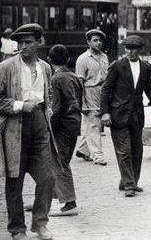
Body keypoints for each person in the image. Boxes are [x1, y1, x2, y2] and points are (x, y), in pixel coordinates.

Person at [0, 23, 55, 240]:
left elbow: (47, 92)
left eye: (28, 42)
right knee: (15, 178)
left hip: (40, 124)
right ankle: (17, 229)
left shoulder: (45, 68)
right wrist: (20, 105)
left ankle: (40, 223)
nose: (23, 47)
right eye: (20, 42)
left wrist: (47, 109)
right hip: (15, 126)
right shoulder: (6, 67)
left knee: (48, 177)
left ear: (39, 43)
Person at [101, 35, 151, 197]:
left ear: (140, 50)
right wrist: (104, 112)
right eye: (127, 48)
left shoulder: (145, 67)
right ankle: (129, 185)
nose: (130, 52)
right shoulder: (117, 66)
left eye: (133, 48)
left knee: (137, 151)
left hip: (136, 115)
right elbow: (105, 90)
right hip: (117, 114)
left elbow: (149, 87)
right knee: (123, 151)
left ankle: (130, 180)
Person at [48, 44, 83, 217]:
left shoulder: (55, 79)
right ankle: (52, 198)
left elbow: (55, 108)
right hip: (74, 125)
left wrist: (49, 127)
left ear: (49, 60)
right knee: (62, 162)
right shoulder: (74, 77)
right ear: (68, 60)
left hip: (61, 127)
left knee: (60, 164)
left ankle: (69, 203)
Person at [74, 29, 109, 165]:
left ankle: (83, 149)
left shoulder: (104, 57)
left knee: (94, 123)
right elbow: (79, 84)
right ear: (88, 42)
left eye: (100, 40)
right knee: (93, 124)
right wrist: (82, 103)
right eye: (95, 40)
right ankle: (98, 155)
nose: (98, 43)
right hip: (89, 92)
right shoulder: (82, 59)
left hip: (102, 91)